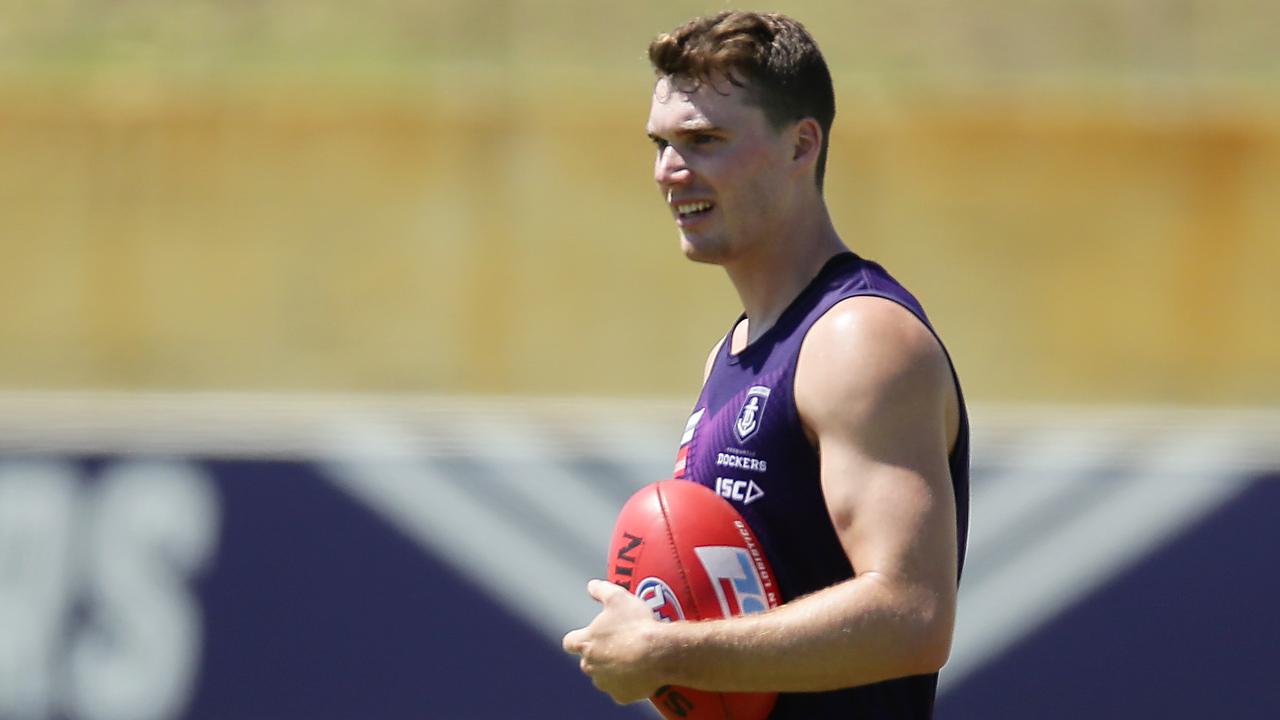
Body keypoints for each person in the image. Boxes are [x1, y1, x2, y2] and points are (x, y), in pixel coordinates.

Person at [562, 10, 970, 718]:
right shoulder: (733, 352)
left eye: (705, 140)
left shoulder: (858, 339)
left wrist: (665, 653)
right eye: (661, 143)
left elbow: (912, 613)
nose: (668, 170)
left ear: (800, 145)